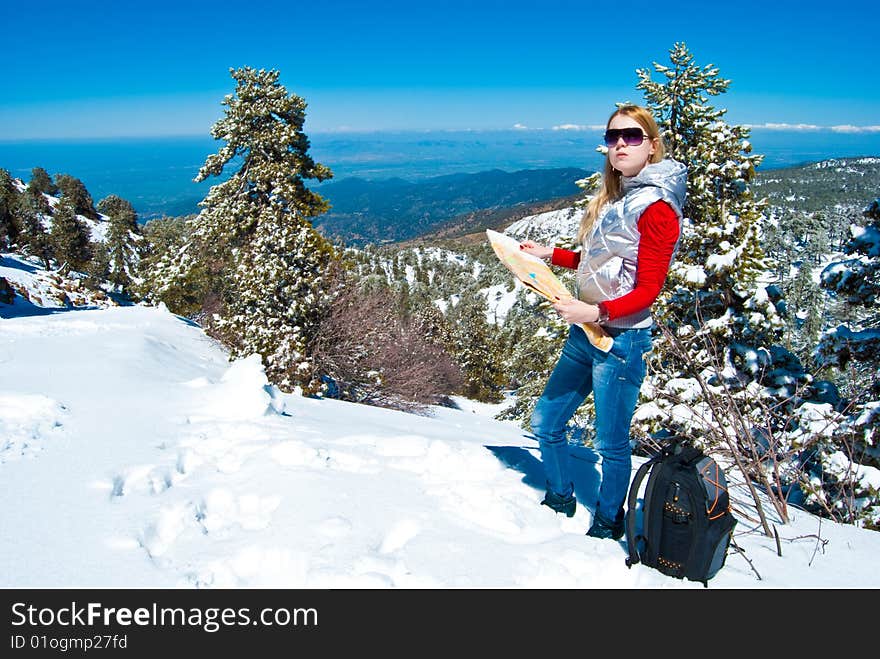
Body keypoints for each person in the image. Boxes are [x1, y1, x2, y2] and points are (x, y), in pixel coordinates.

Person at [519, 104, 686, 540]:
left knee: (610, 445)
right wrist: (549, 256)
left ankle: (609, 521)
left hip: (622, 341)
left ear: (652, 145)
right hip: (585, 331)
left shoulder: (657, 208)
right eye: (613, 137)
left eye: (631, 136)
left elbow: (649, 289)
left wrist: (595, 312)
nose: (620, 145)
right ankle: (560, 497)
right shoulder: (621, 196)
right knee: (546, 422)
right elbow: (600, 263)